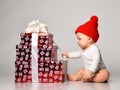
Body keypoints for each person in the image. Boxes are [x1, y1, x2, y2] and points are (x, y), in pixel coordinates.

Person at [62, 16, 110, 83]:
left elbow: (96, 60)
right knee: (80, 70)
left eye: (79, 39)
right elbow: (78, 54)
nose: (77, 41)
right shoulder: (84, 50)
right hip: (87, 71)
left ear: (89, 39)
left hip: (98, 70)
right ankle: (76, 77)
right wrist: (68, 55)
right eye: (77, 39)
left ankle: (89, 79)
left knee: (105, 74)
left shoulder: (94, 49)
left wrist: (91, 71)